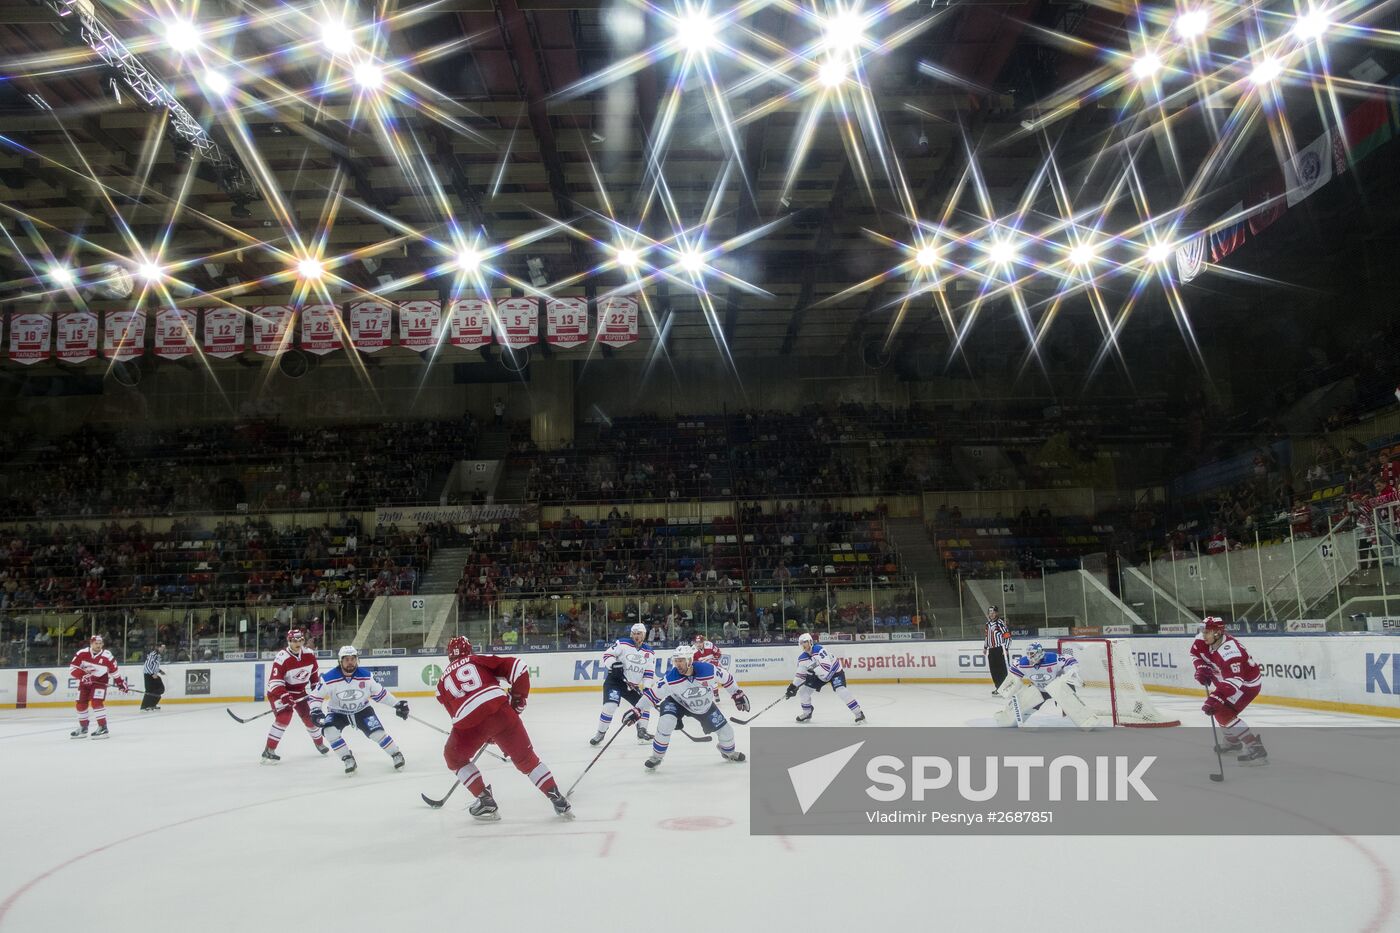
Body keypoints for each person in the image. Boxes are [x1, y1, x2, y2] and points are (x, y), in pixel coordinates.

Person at [435, 635, 572, 821]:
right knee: (527, 759)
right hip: (501, 712)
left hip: (468, 724)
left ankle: (485, 800)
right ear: (470, 649)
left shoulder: (441, 683)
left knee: (454, 757)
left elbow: (456, 715)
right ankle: (557, 798)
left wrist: (484, 734)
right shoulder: (478, 659)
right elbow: (520, 668)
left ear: (449, 656)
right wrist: (517, 699)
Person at [638, 644, 749, 770]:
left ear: (690, 660)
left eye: (681, 661)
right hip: (677, 703)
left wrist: (737, 693)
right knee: (666, 722)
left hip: (704, 707)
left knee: (727, 733)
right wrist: (637, 709)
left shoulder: (708, 670)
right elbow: (652, 695)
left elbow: (727, 678)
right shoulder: (670, 679)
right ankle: (656, 757)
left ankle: (728, 752)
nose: (678, 664)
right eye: (676, 661)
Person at [310, 646, 409, 774]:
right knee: (329, 731)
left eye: (353, 659)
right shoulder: (328, 678)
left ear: (357, 660)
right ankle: (347, 758)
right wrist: (315, 711)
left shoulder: (366, 676)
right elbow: (315, 697)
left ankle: (396, 754)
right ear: (340, 661)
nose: (350, 662)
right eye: (346, 659)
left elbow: (381, 694)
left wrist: (397, 704)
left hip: (362, 710)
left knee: (377, 734)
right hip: (337, 712)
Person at [1192, 617, 1267, 765]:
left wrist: (1216, 697)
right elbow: (1195, 655)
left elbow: (1235, 680)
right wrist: (1201, 668)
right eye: (1203, 631)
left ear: (1218, 633)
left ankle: (1255, 748)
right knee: (1220, 711)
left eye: (1207, 632)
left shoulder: (1230, 652)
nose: (1203, 635)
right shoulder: (1203, 640)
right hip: (1226, 681)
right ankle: (1233, 742)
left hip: (1245, 685)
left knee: (1221, 711)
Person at [261, 628, 329, 764]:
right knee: (284, 717)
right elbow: (275, 682)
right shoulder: (282, 657)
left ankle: (319, 743)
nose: (298, 643)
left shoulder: (309, 655)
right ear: (289, 641)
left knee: (311, 717)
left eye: (300, 640)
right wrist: (285, 696)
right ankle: (269, 750)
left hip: (299, 693)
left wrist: (316, 689)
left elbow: (314, 675)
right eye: (294, 641)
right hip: (278, 693)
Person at [994, 641, 1095, 727]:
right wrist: (1009, 687)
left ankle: (1087, 720)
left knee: (1069, 700)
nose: (1030, 656)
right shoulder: (1023, 663)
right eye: (1028, 654)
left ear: (1039, 652)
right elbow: (1014, 675)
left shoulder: (1052, 658)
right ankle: (1006, 719)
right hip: (1039, 689)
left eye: (1032, 654)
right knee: (1025, 704)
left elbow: (1069, 659)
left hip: (1056, 687)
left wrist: (1071, 670)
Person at [591, 623, 656, 746]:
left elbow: (648, 672)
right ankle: (600, 733)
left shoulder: (650, 652)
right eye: (634, 633)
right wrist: (613, 664)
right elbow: (607, 655)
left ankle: (642, 732)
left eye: (639, 634)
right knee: (610, 706)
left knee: (645, 705)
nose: (636, 636)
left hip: (632, 687)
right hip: (615, 681)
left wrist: (647, 688)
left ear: (644, 635)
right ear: (631, 634)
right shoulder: (623, 643)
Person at [784, 632, 865, 724]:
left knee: (841, 691)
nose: (803, 645)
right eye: (801, 643)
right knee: (803, 691)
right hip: (819, 676)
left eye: (805, 642)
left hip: (835, 672)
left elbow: (826, 670)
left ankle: (859, 714)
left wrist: (813, 668)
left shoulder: (819, 649)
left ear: (810, 642)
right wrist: (793, 686)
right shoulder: (802, 658)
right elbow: (800, 675)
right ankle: (807, 713)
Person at [69, 634, 129, 739]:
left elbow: (114, 671)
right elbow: (72, 669)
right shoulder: (81, 653)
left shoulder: (107, 656)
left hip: (99, 683)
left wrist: (120, 683)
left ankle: (103, 727)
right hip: (84, 684)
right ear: (91, 643)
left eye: (100, 643)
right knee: (80, 703)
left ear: (103, 644)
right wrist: (83, 676)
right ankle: (83, 728)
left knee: (96, 702)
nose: (98, 645)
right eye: (96, 643)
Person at [983, 605, 1011, 695]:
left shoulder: (1000, 623)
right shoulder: (987, 624)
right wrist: (985, 647)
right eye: (990, 612)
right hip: (991, 650)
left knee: (1002, 670)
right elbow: (987, 637)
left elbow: (1007, 636)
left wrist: (1006, 649)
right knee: (994, 670)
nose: (991, 614)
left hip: (1000, 649)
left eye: (993, 612)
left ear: (996, 613)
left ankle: (1006, 688)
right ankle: (998, 688)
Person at [692, 633, 726, 704]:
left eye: (700, 642)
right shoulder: (693, 650)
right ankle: (709, 694)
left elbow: (718, 653)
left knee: (718, 677)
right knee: (703, 681)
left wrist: (713, 658)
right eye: (697, 643)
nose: (698, 644)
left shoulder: (709, 645)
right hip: (702, 666)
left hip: (713, 662)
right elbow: (693, 663)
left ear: (703, 642)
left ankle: (717, 692)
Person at [140, 643, 166, 711]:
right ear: (158, 647)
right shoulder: (152, 655)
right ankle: (144, 706)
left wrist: (159, 671)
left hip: (153, 675)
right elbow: (147, 665)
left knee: (160, 689)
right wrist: (152, 674)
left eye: (164, 648)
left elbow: (154, 666)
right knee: (149, 690)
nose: (163, 649)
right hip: (149, 675)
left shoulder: (158, 655)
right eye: (162, 648)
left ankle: (152, 704)